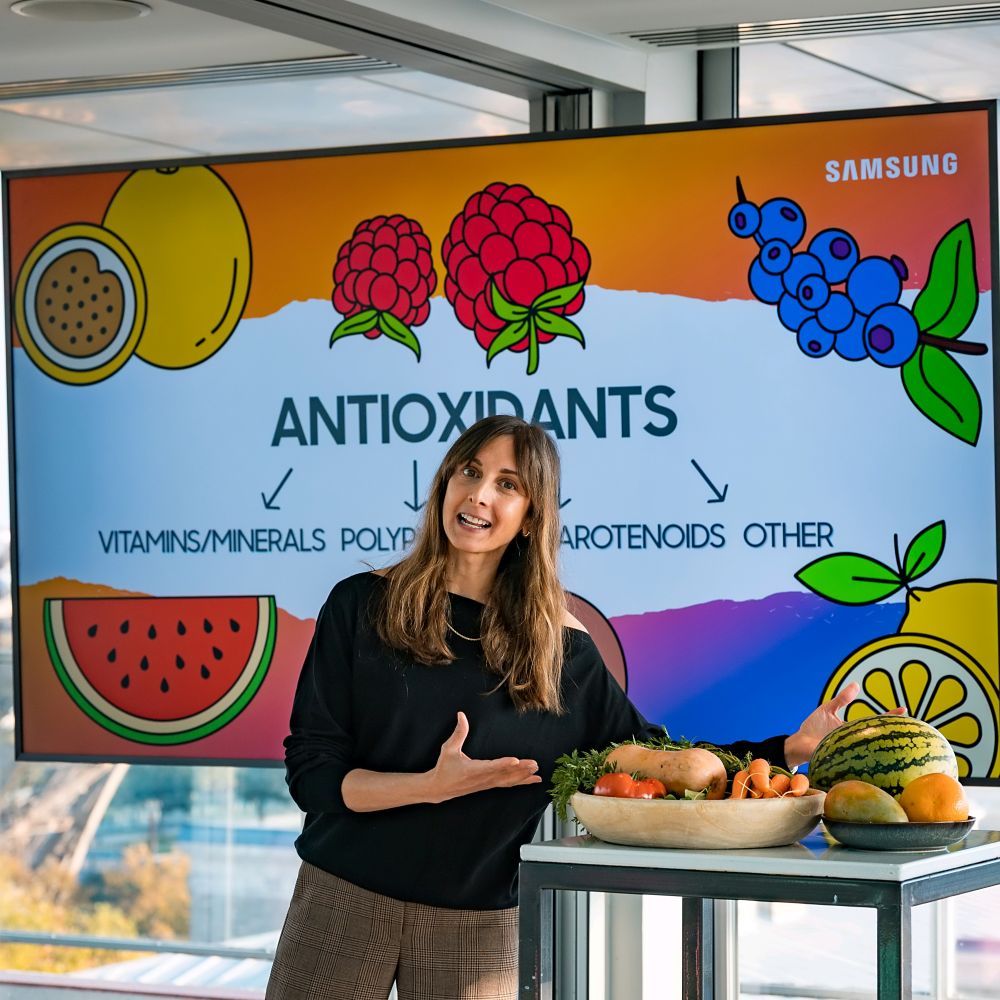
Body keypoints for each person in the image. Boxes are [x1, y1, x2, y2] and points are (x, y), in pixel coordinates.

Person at [266, 414, 866, 1000]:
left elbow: (657, 760)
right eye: (469, 472)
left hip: (476, 923)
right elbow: (313, 775)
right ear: (443, 483)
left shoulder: (562, 653)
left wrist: (783, 751)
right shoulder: (361, 605)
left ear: (530, 518)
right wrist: (429, 786)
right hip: (341, 899)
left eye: (507, 484)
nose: (479, 494)